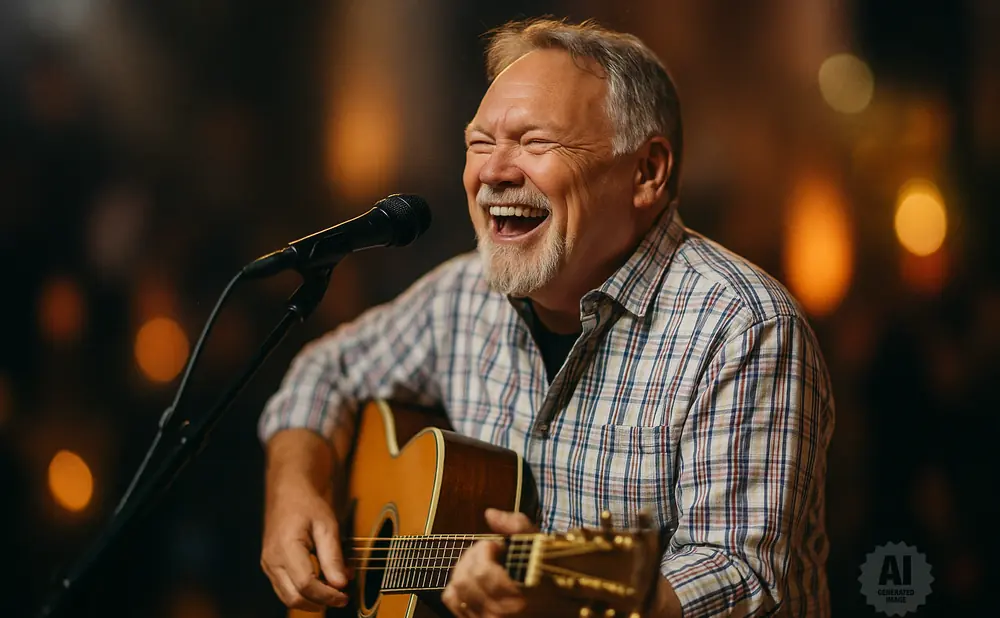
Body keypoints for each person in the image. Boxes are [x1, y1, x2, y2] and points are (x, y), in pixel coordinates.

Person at [257, 17, 834, 618]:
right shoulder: (461, 296)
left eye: (536, 144)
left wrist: (564, 602)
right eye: (479, 144)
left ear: (647, 172)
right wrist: (294, 487)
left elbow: (741, 577)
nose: (495, 172)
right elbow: (325, 371)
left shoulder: (741, 327)